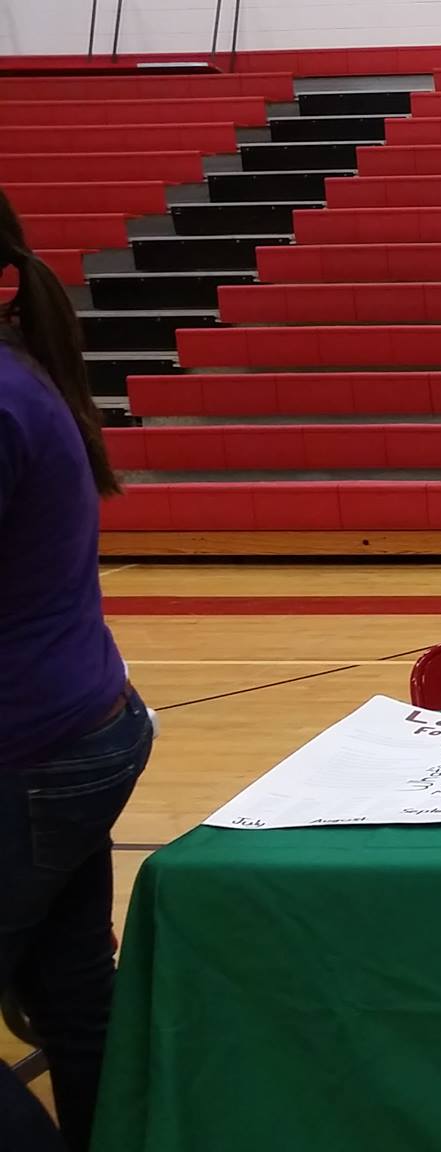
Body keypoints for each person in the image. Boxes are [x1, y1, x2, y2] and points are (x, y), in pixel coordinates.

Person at [0, 188, 154, 1152]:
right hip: (73, 733)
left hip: (32, 754)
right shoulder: (22, 376)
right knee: (72, 1000)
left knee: (74, 1002)